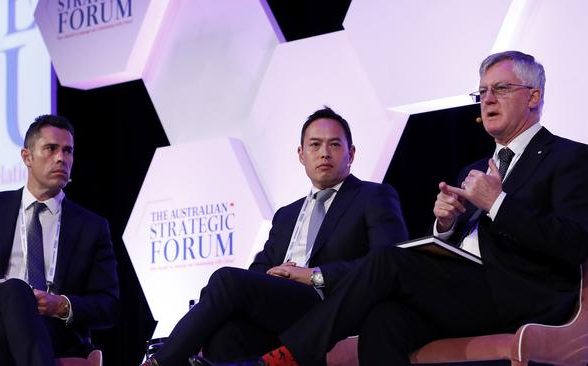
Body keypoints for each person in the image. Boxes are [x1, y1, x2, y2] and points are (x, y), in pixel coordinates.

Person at [231, 51, 588, 366]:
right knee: (383, 319)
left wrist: (497, 202)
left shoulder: (570, 157)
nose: (487, 99)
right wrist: (445, 226)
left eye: (501, 89)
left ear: (534, 96)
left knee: (389, 259)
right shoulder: (475, 169)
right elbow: (465, 243)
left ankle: (288, 356)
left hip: (522, 294)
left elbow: (574, 243)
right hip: (468, 293)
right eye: (481, 92)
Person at [142, 107, 408, 366]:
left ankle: (160, 362)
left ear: (351, 153)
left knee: (227, 279)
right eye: (315, 145)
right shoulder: (287, 214)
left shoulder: (374, 196)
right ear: (301, 155)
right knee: (228, 333)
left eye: (335, 145)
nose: (324, 153)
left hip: (332, 306)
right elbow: (259, 270)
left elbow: (388, 264)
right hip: (283, 309)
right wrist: (274, 275)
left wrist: (312, 274)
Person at [0, 115, 120, 366]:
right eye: (51, 148)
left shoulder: (91, 227)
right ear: (27, 157)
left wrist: (61, 305)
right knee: (14, 289)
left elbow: (109, 306)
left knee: (0, 334)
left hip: (53, 329)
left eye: (68, 151)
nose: (61, 158)